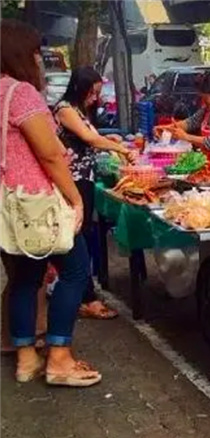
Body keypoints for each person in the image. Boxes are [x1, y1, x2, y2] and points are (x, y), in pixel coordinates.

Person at [0, 19, 101, 386]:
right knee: (75, 270)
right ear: (21, 55)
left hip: (10, 205)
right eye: (37, 54)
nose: (40, 61)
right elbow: (50, 155)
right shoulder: (22, 93)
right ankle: (59, 357)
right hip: (38, 202)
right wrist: (75, 199)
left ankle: (26, 359)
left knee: (25, 279)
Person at [53, 66, 135, 320]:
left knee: (86, 230)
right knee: (79, 234)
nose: (95, 98)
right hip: (72, 181)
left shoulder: (79, 110)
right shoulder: (65, 109)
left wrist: (115, 144)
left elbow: (96, 137)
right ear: (80, 88)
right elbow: (90, 138)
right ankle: (84, 296)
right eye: (92, 92)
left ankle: (82, 291)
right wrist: (120, 150)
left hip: (85, 178)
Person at [154, 72, 210, 169]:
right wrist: (166, 129)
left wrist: (185, 137)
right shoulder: (207, 111)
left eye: (205, 98)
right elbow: (190, 123)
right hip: (207, 166)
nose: (203, 102)